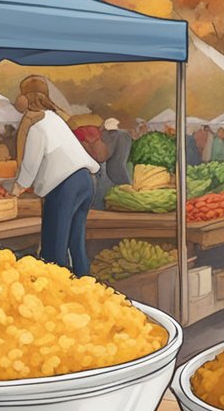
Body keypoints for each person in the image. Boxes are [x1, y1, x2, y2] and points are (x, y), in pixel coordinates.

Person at [11, 85, 100, 275]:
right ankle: (85, 283)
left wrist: (18, 187)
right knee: (76, 242)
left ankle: (58, 290)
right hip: (85, 181)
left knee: (55, 245)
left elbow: (31, 163)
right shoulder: (55, 119)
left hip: (64, 186)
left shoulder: (38, 127)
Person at [102, 118, 133, 188]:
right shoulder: (125, 135)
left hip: (113, 172)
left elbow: (108, 153)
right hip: (121, 172)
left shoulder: (114, 135)